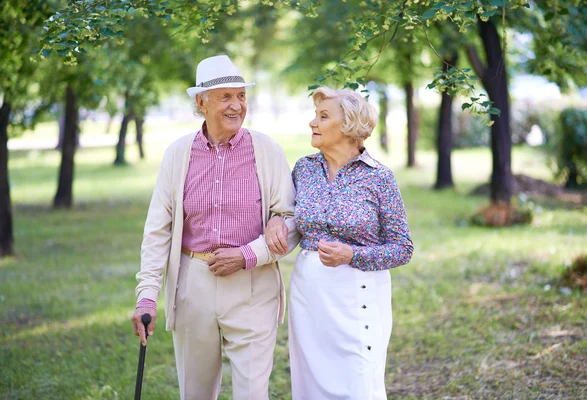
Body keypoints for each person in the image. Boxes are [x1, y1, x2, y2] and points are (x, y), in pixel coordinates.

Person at [131, 54, 298, 400]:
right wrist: (147, 295)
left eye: (241, 96)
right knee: (195, 394)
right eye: (226, 97)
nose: (237, 105)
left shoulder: (266, 151)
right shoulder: (178, 155)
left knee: (252, 394)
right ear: (201, 102)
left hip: (254, 286)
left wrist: (248, 254)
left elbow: (292, 221)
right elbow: (157, 231)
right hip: (194, 284)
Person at [266, 87, 414, 400]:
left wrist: (351, 254)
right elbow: (286, 213)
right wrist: (276, 219)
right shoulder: (305, 169)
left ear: (348, 127)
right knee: (311, 385)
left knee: (359, 381)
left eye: (323, 116)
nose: (312, 123)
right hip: (309, 295)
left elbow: (402, 247)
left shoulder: (379, 178)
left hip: (358, 296)